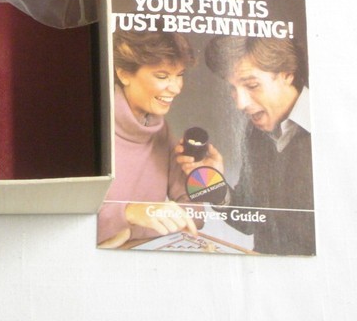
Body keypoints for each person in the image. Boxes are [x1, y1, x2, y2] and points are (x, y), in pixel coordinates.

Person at [178, 35, 315, 255]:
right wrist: (213, 183)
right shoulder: (254, 132)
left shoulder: (329, 126)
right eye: (232, 88)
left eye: (252, 85)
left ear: (287, 74)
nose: (240, 103)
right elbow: (249, 221)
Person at [97, 29, 201, 248]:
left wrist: (204, 176)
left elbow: (196, 216)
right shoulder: (92, 126)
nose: (176, 88)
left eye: (180, 75)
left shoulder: (160, 130)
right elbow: (63, 220)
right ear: (123, 74)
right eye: (162, 76)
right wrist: (128, 212)